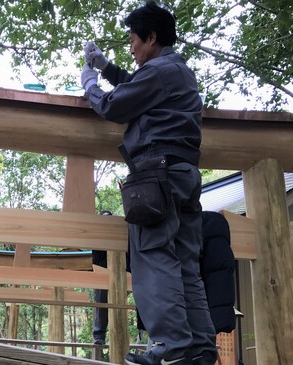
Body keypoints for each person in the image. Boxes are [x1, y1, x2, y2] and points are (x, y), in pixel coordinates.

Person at [80, 2, 217, 365]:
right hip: (184, 174)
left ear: (152, 37)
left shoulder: (160, 72)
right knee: (186, 262)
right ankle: (200, 349)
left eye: (134, 40)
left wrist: (90, 83)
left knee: (154, 256)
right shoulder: (175, 72)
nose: (131, 48)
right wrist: (107, 68)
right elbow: (138, 89)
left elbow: (114, 106)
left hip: (157, 172)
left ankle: (171, 347)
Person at [92, 210, 132, 345]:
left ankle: (118, 335)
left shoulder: (122, 232)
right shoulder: (97, 237)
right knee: (101, 302)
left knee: (118, 304)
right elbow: (95, 259)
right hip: (102, 272)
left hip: (122, 272)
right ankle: (99, 336)